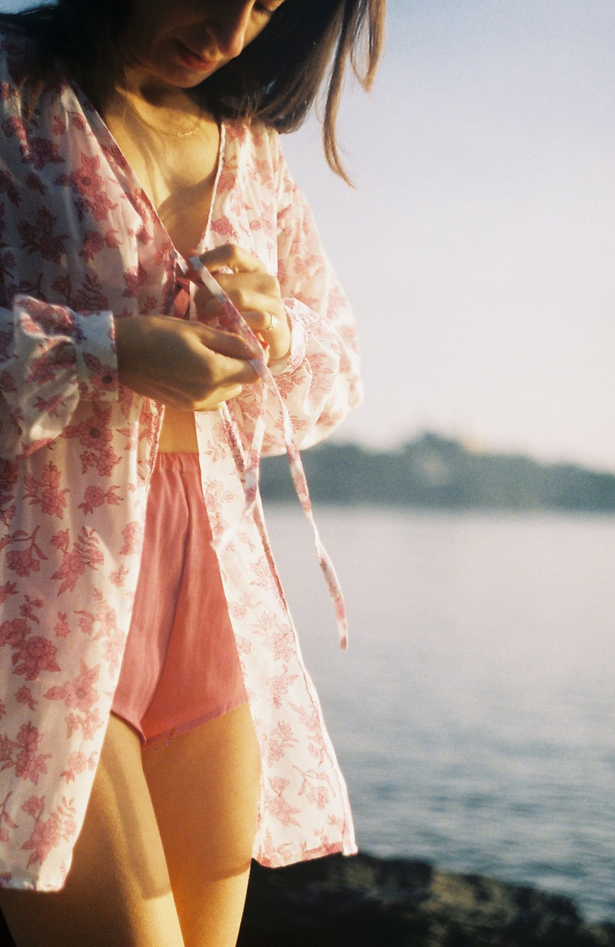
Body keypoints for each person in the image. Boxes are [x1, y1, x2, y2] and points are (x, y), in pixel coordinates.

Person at [0, 1, 385, 945]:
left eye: (267, 3)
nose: (230, 29)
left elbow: (337, 365)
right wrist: (109, 349)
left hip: (217, 600)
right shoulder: (15, 91)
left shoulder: (250, 148)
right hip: (38, 597)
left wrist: (279, 325)